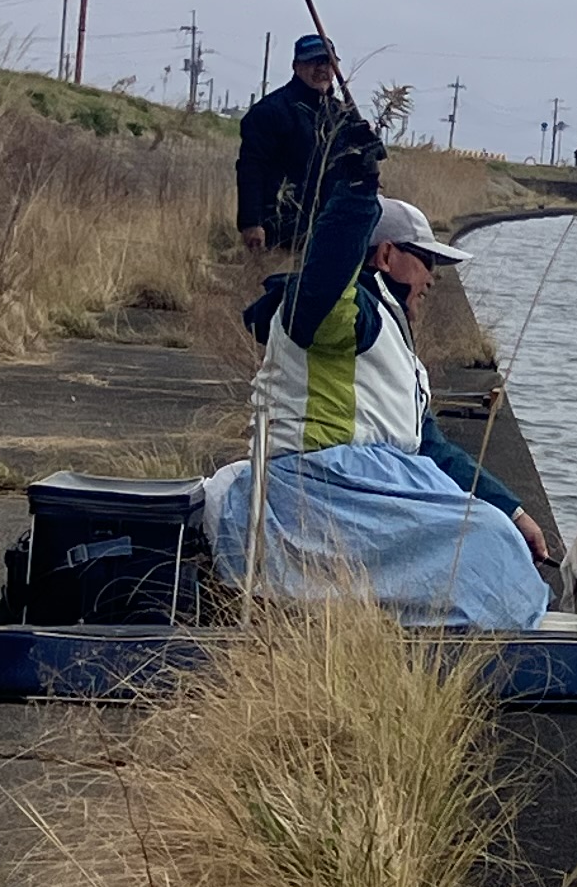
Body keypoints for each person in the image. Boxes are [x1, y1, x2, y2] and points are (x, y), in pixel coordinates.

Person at [207, 117, 556, 627]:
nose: (434, 279)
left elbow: (430, 449)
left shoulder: (396, 340)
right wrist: (356, 187)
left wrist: (514, 510)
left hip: (365, 492)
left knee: (495, 529)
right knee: (480, 539)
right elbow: (326, 279)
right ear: (386, 255)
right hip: (318, 491)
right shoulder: (346, 314)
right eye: (425, 261)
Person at [237, 35, 345, 256]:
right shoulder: (270, 111)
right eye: (314, 62)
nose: (322, 69)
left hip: (331, 229)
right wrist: (251, 222)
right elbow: (251, 169)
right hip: (281, 232)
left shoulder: (342, 116)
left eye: (328, 62)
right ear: (296, 67)